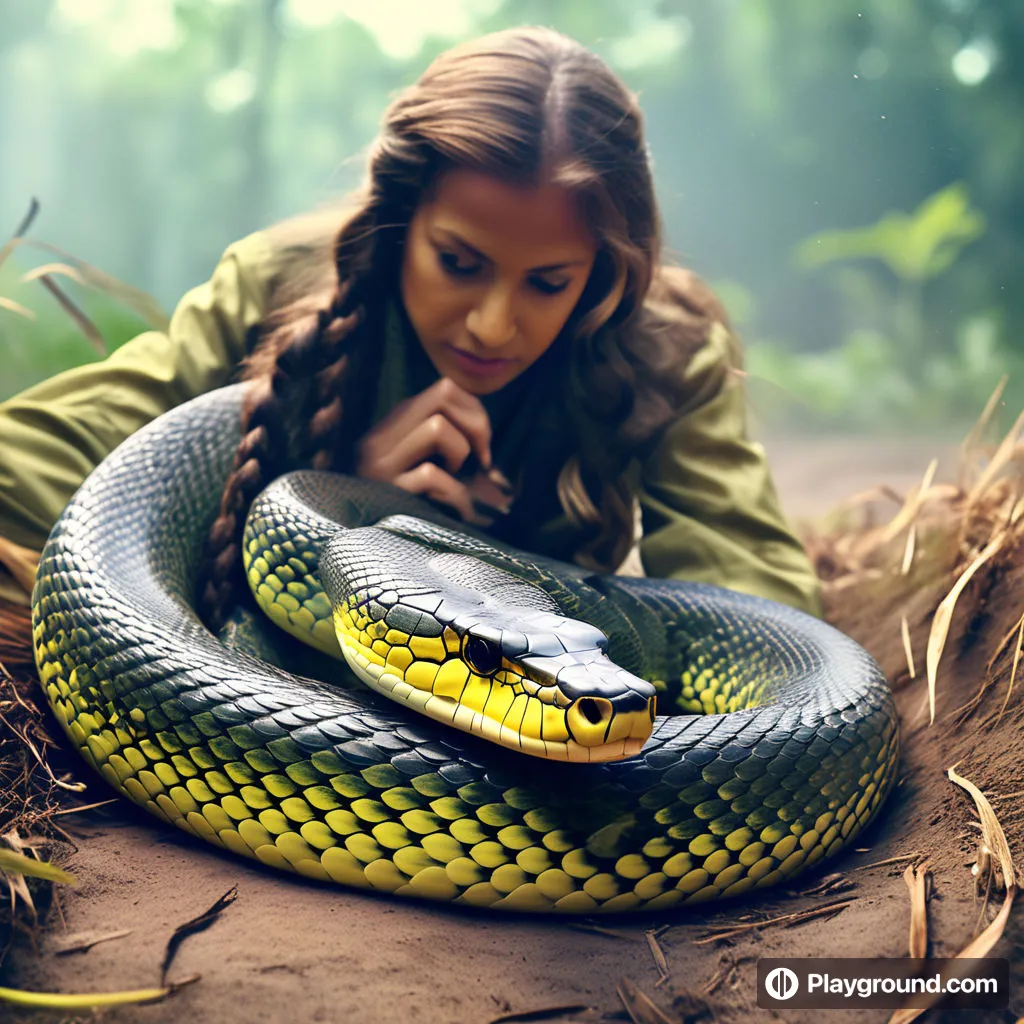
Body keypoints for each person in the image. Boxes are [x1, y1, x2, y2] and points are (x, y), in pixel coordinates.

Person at [0, 26, 821, 634]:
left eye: (548, 283)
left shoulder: (666, 350)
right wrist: (333, 499)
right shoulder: (272, 286)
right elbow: (47, 462)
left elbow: (767, 624)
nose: (494, 326)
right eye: (459, 263)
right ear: (401, 221)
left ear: (602, 271)